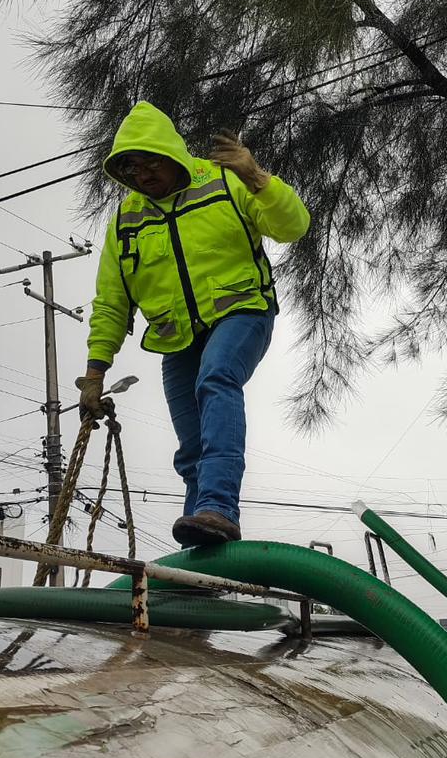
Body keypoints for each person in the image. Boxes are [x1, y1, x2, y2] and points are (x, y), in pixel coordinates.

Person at [79, 101, 310, 547]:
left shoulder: (224, 180)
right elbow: (111, 301)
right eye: (130, 168)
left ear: (171, 154)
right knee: (191, 450)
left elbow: (294, 226)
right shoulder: (126, 220)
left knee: (218, 377)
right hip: (177, 339)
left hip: (242, 313)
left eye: (149, 162)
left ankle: (220, 507)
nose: (142, 174)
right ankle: (200, 536)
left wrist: (257, 178)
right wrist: (94, 376)